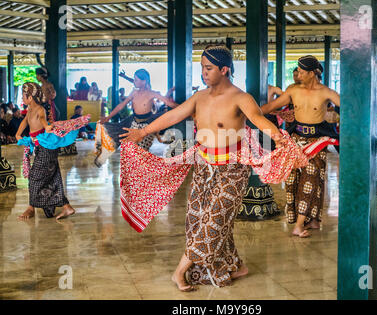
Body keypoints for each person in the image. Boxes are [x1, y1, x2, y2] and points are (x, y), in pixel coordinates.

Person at [119, 46, 317, 291]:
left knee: (214, 221)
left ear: (224, 70)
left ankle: (179, 271)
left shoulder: (240, 97)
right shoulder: (199, 97)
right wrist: (143, 132)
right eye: (202, 67)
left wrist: (278, 137)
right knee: (196, 220)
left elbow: (257, 119)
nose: (204, 73)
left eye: (209, 68)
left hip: (233, 169)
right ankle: (235, 266)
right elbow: (174, 115)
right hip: (204, 166)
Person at [261, 55, 340, 238]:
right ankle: (310, 220)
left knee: (311, 181)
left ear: (313, 73)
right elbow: (271, 106)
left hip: (316, 141)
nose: (298, 74)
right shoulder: (292, 90)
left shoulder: (326, 92)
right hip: (296, 140)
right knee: (292, 181)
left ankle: (298, 225)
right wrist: (248, 113)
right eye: (298, 71)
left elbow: (349, 107)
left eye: (303, 72)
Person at [14, 82, 79, 220]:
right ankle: (66, 207)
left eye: (23, 96)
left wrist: (46, 127)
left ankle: (31, 208)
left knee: (34, 177)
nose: (22, 98)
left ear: (30, 97)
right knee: (53, 178)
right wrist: (18, 134)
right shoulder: (30, 110)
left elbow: (43, 119)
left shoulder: (39, 109)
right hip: (41, 148)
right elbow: (25, 121)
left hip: (45, 148)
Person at [94, 69, 179, 167]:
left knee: (142, 153)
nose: (134, 82)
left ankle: (142, 174)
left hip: (146, 126)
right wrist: (108, 117)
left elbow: (169, 103)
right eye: (134, 79)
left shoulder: (152, 93)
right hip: (133, 123)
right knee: (131, 151)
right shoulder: (134, 92)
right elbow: (121, 105)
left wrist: (186, 109)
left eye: (136, 80)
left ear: (144, 81)